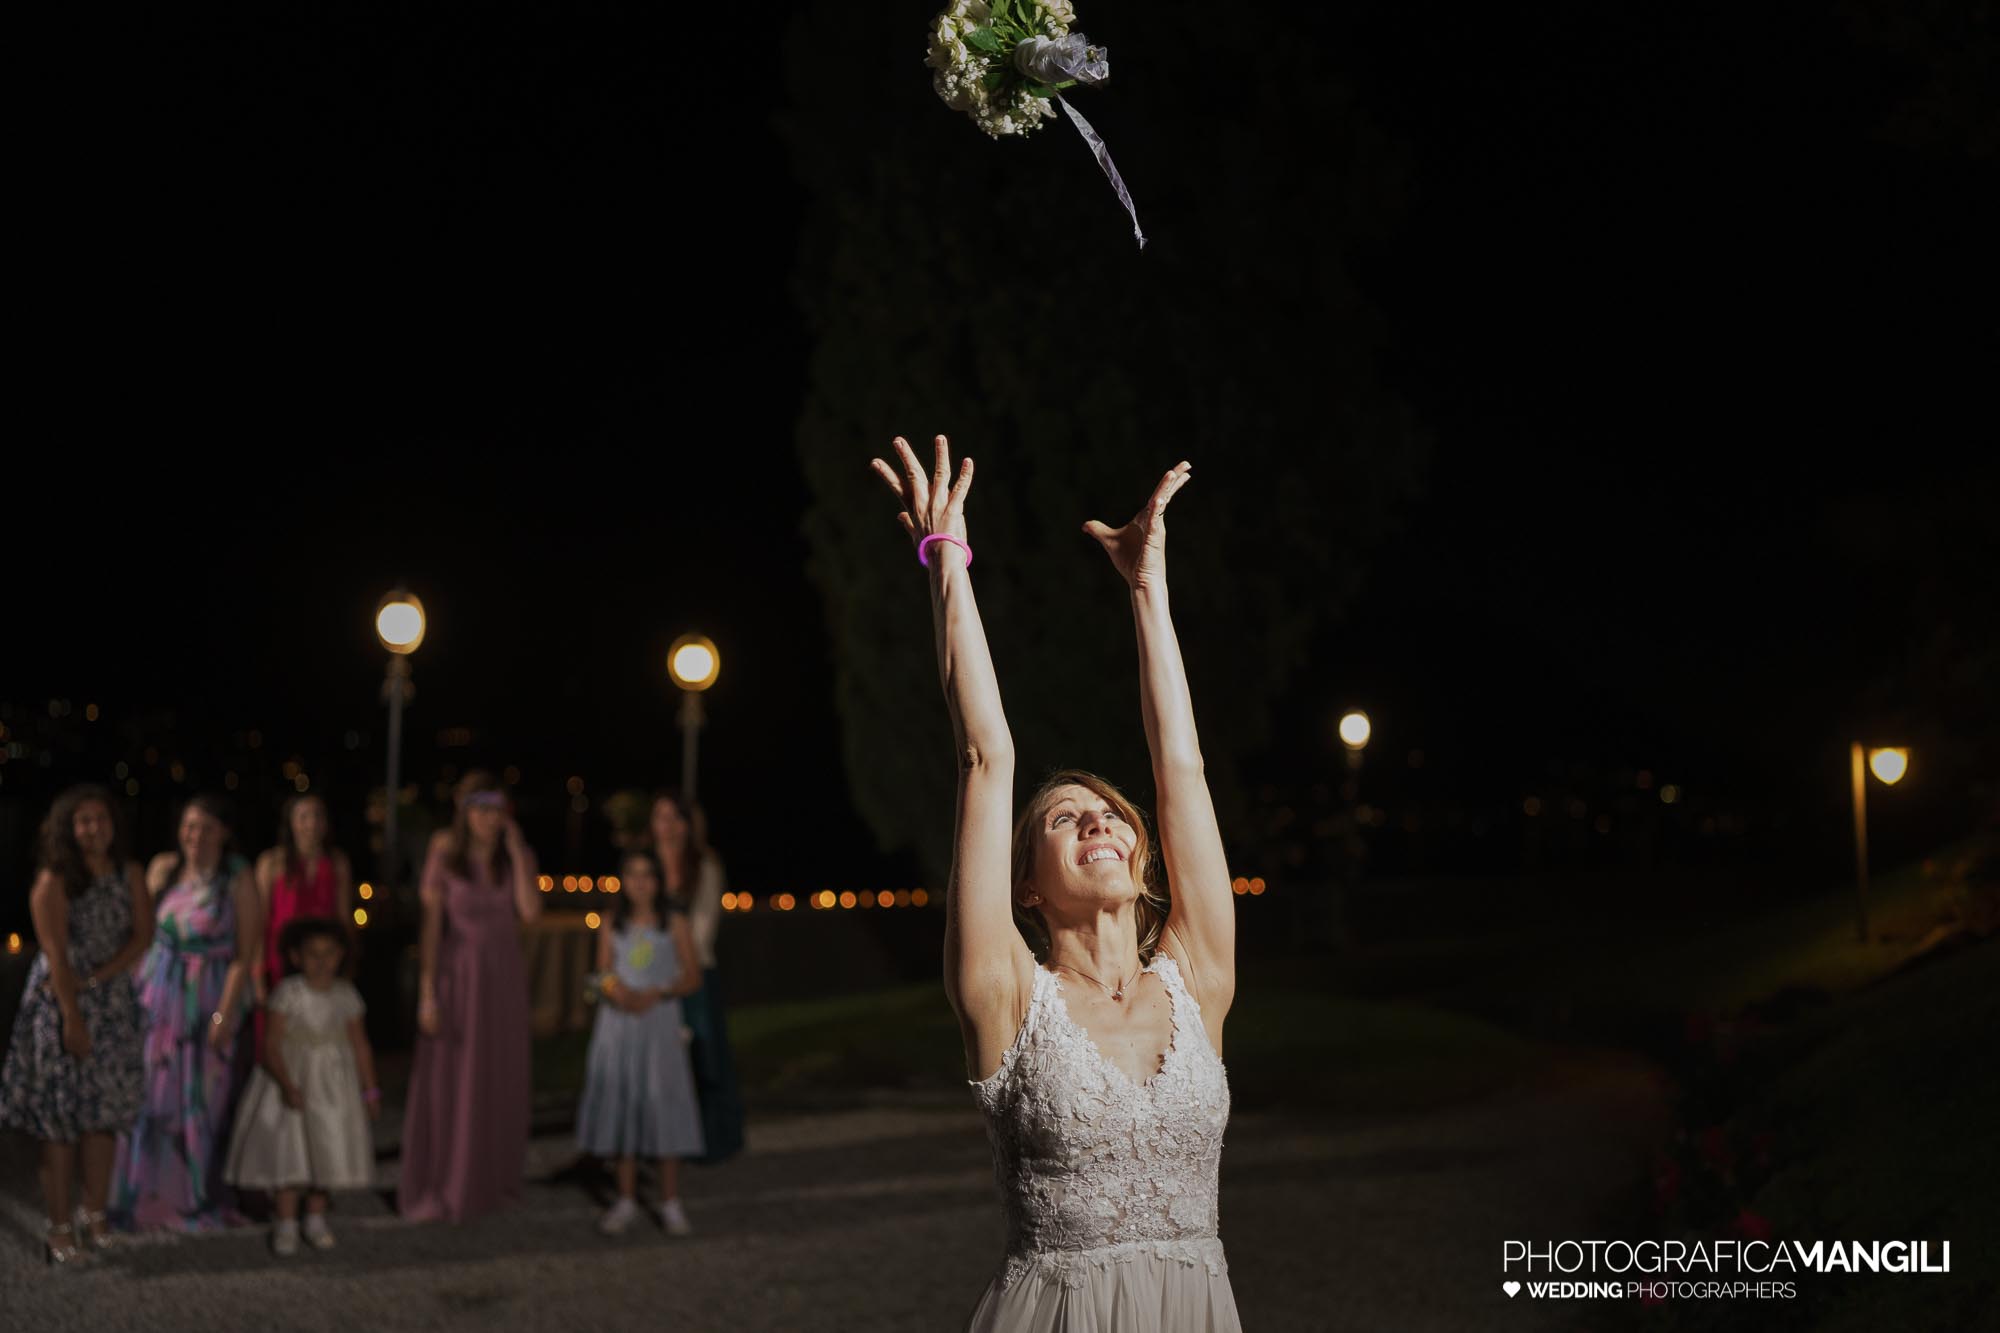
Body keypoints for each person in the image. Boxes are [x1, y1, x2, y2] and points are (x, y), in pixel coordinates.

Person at [871, 436, 1242, 1330]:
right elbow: (984, 754)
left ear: (1140, 856)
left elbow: (1181, 769)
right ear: (1026, 887)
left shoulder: (1198, 978)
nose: (1097, 822)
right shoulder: (1004, 993)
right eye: (1065, 818)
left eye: (1110, 813)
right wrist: (946, 557)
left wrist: (1147, 588)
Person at [0, 785, 150, 1264]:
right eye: (83, 820)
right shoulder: (54, 880)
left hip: (113, 1004)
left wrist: (101, 979)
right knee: (60, 1121)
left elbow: (143, 935)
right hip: (61, 1002)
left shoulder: (129, 872)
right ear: (67, 828)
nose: (93, 829)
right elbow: (56, 956)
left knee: (105, 1115)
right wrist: (73, 1017)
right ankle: (59, 1229)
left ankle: (95, 1217)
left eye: (101, 819)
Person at [112, 793, 263, 1232]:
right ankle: (149, 1194)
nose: (196, 836)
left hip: (208, 996)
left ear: (224, 832)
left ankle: (196, 1194)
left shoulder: (237, 877)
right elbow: (141, 935)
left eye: (207, 828)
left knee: (205, 1098)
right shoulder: (163, 869)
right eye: (190, 826)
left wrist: (224, 1014)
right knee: (154, 1097)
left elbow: (244, 954)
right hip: (159, 997)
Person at [398, 770, 540, 1222]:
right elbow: (431, 926)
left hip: (503, 979)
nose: (487, 818)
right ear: (464, 811)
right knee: (453, 1078)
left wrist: (516, 850)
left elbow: (530, 912)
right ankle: (448, 1182)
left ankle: (491, 1179)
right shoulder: (445, 851)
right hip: (458, 976)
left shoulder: (514, 857)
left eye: (495, 809)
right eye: (479, 808)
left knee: (497, 1074)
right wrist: (427, 992)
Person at [224, 916, 379, 1255]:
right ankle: (286, 1222)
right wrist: (285, 1082)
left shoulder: (346, 995)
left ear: (341, 955)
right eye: (313, 954)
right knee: (290, 1153)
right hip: (294, 1080)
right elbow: (271, 1043)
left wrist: (370, 1089)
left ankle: (316, 1218)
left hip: (333, 1087)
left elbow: (360, 1045)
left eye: (329, 953)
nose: (322, 962)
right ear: (296, 957)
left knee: (326, 1150)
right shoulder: (288, 993)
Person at [575, 848, 705, 1235]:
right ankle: (626, 1198)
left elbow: (692, 976)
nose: (640, 882)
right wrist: (617, 993)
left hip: (659, 1025)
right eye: (632, 874)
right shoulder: (611, 922)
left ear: (659, 881)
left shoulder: (674, 923)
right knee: (624, 1105)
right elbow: (601, 973)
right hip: (620, 1026)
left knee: (664, 1103)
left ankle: (670, 1200)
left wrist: (659, 992)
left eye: (648, 874)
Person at [649, 789, 744, 1164]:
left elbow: (703, 932)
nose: (668, 826)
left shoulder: (705, 865)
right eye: (661, 817)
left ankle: (712, 1139)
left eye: (676, 817)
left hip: (694, 973)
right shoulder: (646, 866)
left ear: (689, 824)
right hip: (651, 976)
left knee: (704, 1059)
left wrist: (674, 966)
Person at [252, 793, 354, 1053]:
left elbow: (344, 921)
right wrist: (257, 973)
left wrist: (346, 967)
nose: (312, 824)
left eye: (318, 816)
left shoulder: (337, 863)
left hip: (323, 963)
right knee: (278, 1038)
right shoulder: (271, 863)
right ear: (291, 822)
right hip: (281, 962)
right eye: (304, 817)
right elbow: (260, 923)